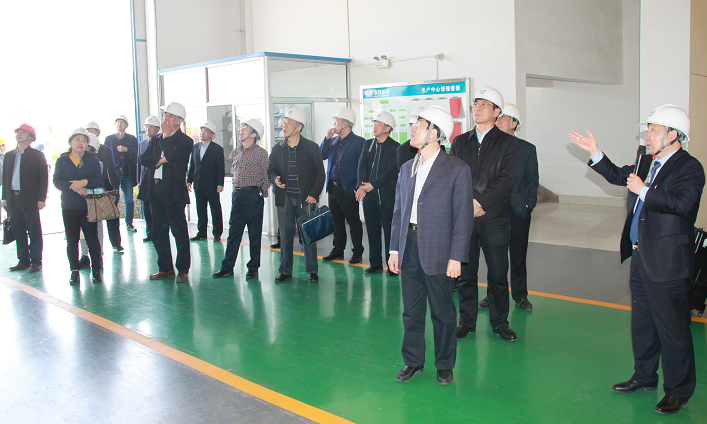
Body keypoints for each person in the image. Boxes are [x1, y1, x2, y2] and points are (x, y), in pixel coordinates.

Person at [569, 104, 703, 415]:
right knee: (642, 324)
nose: (648, 135)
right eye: (649, 130)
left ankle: (678, 391)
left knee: (672, 329)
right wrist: (596, 153)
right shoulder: (646, 161)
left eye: (654, 130)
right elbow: (620, 176)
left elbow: (683, 204)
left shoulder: (689, 167)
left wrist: (644, 191)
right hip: (641, 256)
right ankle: (644, 377)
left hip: (668, 262)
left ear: (673, 135)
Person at [389, 106, 473, 385]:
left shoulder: (457, 169)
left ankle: (445, 364)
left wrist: (456, 257)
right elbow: (399, 212)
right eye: (413, 124)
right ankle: (413, 361)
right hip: (409, 246)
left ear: (434, 133)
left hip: (439, 249)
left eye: (419, 125)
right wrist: (394, 249)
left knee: (442, 312)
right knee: (411, 311)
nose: (413, 129)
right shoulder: (407, 168)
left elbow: (463, 217)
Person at [451, 87, 519, 341]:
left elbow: (506, 179)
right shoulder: (460, 142)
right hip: (465, 218)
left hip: (495, 218)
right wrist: (467, 203)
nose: (477, 109)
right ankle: (466, 322)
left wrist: (481, 203)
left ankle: (500, 322)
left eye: (484, 105)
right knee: (466, 275)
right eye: (475, 104)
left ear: (497, 112)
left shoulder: (508, 143)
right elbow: (454, 176)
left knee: (498, 274)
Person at [478, 102, 538, 311]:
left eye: (504, 118)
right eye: (499, 117)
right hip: (494, 210)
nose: (499, 121)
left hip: (518, 211)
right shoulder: (489, 146)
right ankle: (492, 294)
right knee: (495, 256)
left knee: (518, 255)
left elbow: (533, 180)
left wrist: (528, 205)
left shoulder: (527, 149)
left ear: (515, 124)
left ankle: (520, 295)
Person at [267, 106, 325, 282]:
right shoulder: (278, 148)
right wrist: (275, 179)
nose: (284, 125)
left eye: (288, 122)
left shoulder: (312, 148)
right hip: (284, 199)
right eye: (284, 122)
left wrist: (314, 193)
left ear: (299, 127)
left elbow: (320, 174)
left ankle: (312, 270)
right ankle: (285, 270)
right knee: (285, 236)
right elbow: (271, 169)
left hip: (306, 199)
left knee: (309, 235)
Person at [138, 102, 193, 283]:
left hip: (173, 192)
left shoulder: (185, 141)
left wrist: (167, 138)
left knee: (179, 232)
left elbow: (172, 155)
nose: (165, 119)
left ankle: (183, 269)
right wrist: (160, 160)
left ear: (179, 120)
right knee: (158, 232)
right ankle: (165, 267)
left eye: (169, 116)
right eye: (165, 115)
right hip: (155, 190)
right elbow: (143, 158)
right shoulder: (156, 138)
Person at [213, 119, 270, 279]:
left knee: (254, 234)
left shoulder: (261, 153)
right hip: (237, 196)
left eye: (245, 128)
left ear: (253, 134)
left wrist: (261, 193)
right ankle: (227, 267)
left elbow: (266, 176)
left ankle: (253, 267)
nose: (241, 130)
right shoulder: (236, 152)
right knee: (234, 232)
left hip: (253, 196)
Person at [53, 128, 103, 285]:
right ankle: (74, 271)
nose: (80, 143)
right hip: (69, 206)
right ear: (71, 142)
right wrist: (73, 186)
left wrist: (84, 183)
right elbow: (57, 181)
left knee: (92, 239)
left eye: (84, 140)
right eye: (77, 139)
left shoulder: (93, 160)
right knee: (72, 240)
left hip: (88, 206)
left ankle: (96, 270)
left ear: (87, 144)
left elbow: (98, 180)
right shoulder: (62, 160)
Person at [320, 108, 366, 264]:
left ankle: (357, 252)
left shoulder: (359, 142)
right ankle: (338, 249)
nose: (334, 124)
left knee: (353, 222)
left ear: (345, 123)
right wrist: (327, 139)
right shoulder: (333, 140)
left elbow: (362, 166)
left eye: (337, 121)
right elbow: (322, 155)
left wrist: (359, 186)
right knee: (336, 221)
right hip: (333, 188)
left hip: (348, 188)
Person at [356, 111, 399, 275]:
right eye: (374, 124)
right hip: (370, 197)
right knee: (372, 230)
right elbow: (362, 167)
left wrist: (372, 185)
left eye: (378, 124)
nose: (374, 127)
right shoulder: (368, 144)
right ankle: (375, 263)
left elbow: (391, 172)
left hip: (387, 197)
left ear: (388, 128)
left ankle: (391, 265)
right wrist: (362, 186)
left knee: (389, 232)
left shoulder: (395, 148)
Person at [2, 124, 48, 272]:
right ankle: (23, 260)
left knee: (34, 231)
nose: (19, 134)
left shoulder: (37, 155)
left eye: (23, 132)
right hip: (12, 198)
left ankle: (36, 261)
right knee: (18, 230)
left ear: (30, 137)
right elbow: (5, 178)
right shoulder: (9, 155)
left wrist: (41, 199)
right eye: (18, 132)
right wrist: (4, 198)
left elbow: (43, 178)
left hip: (30, 199)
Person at [187, 121, 225, 241]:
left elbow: (220, 168)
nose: (202, 133)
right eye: (201, 131)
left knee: (215, 208)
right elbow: (192, 165)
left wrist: (220, 183)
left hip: (212, 184)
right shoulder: (195, 147)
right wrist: (189, 180)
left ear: (212, 135)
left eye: (205, 131)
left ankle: (217, 233)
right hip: (198, 183)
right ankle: (201, 232)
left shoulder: (217, 149)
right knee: (201, 208)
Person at [105, 115, 139, 233]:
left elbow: (138, 154)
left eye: (122, 122)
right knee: (114, 199)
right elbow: (104, 155)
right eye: (117, 122)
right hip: (113, 173)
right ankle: (114, 224)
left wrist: (127, 150)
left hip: (126, 172)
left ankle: (129, 223)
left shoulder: (131, 139)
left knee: (129, 200)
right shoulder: (109, 139)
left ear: (126, 125)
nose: (119, 124)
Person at [138, 115, 161, 242]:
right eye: (146, 127)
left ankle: (157, 233)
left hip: (155, 180)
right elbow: (139, 163)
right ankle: (149, 233)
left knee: (155, 210)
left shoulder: (160, 142)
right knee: (146, 208)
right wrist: (139, 180)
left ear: (157, 129)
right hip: (144, 180)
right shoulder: (141, 144)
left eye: (151, 127)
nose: (148, 129)